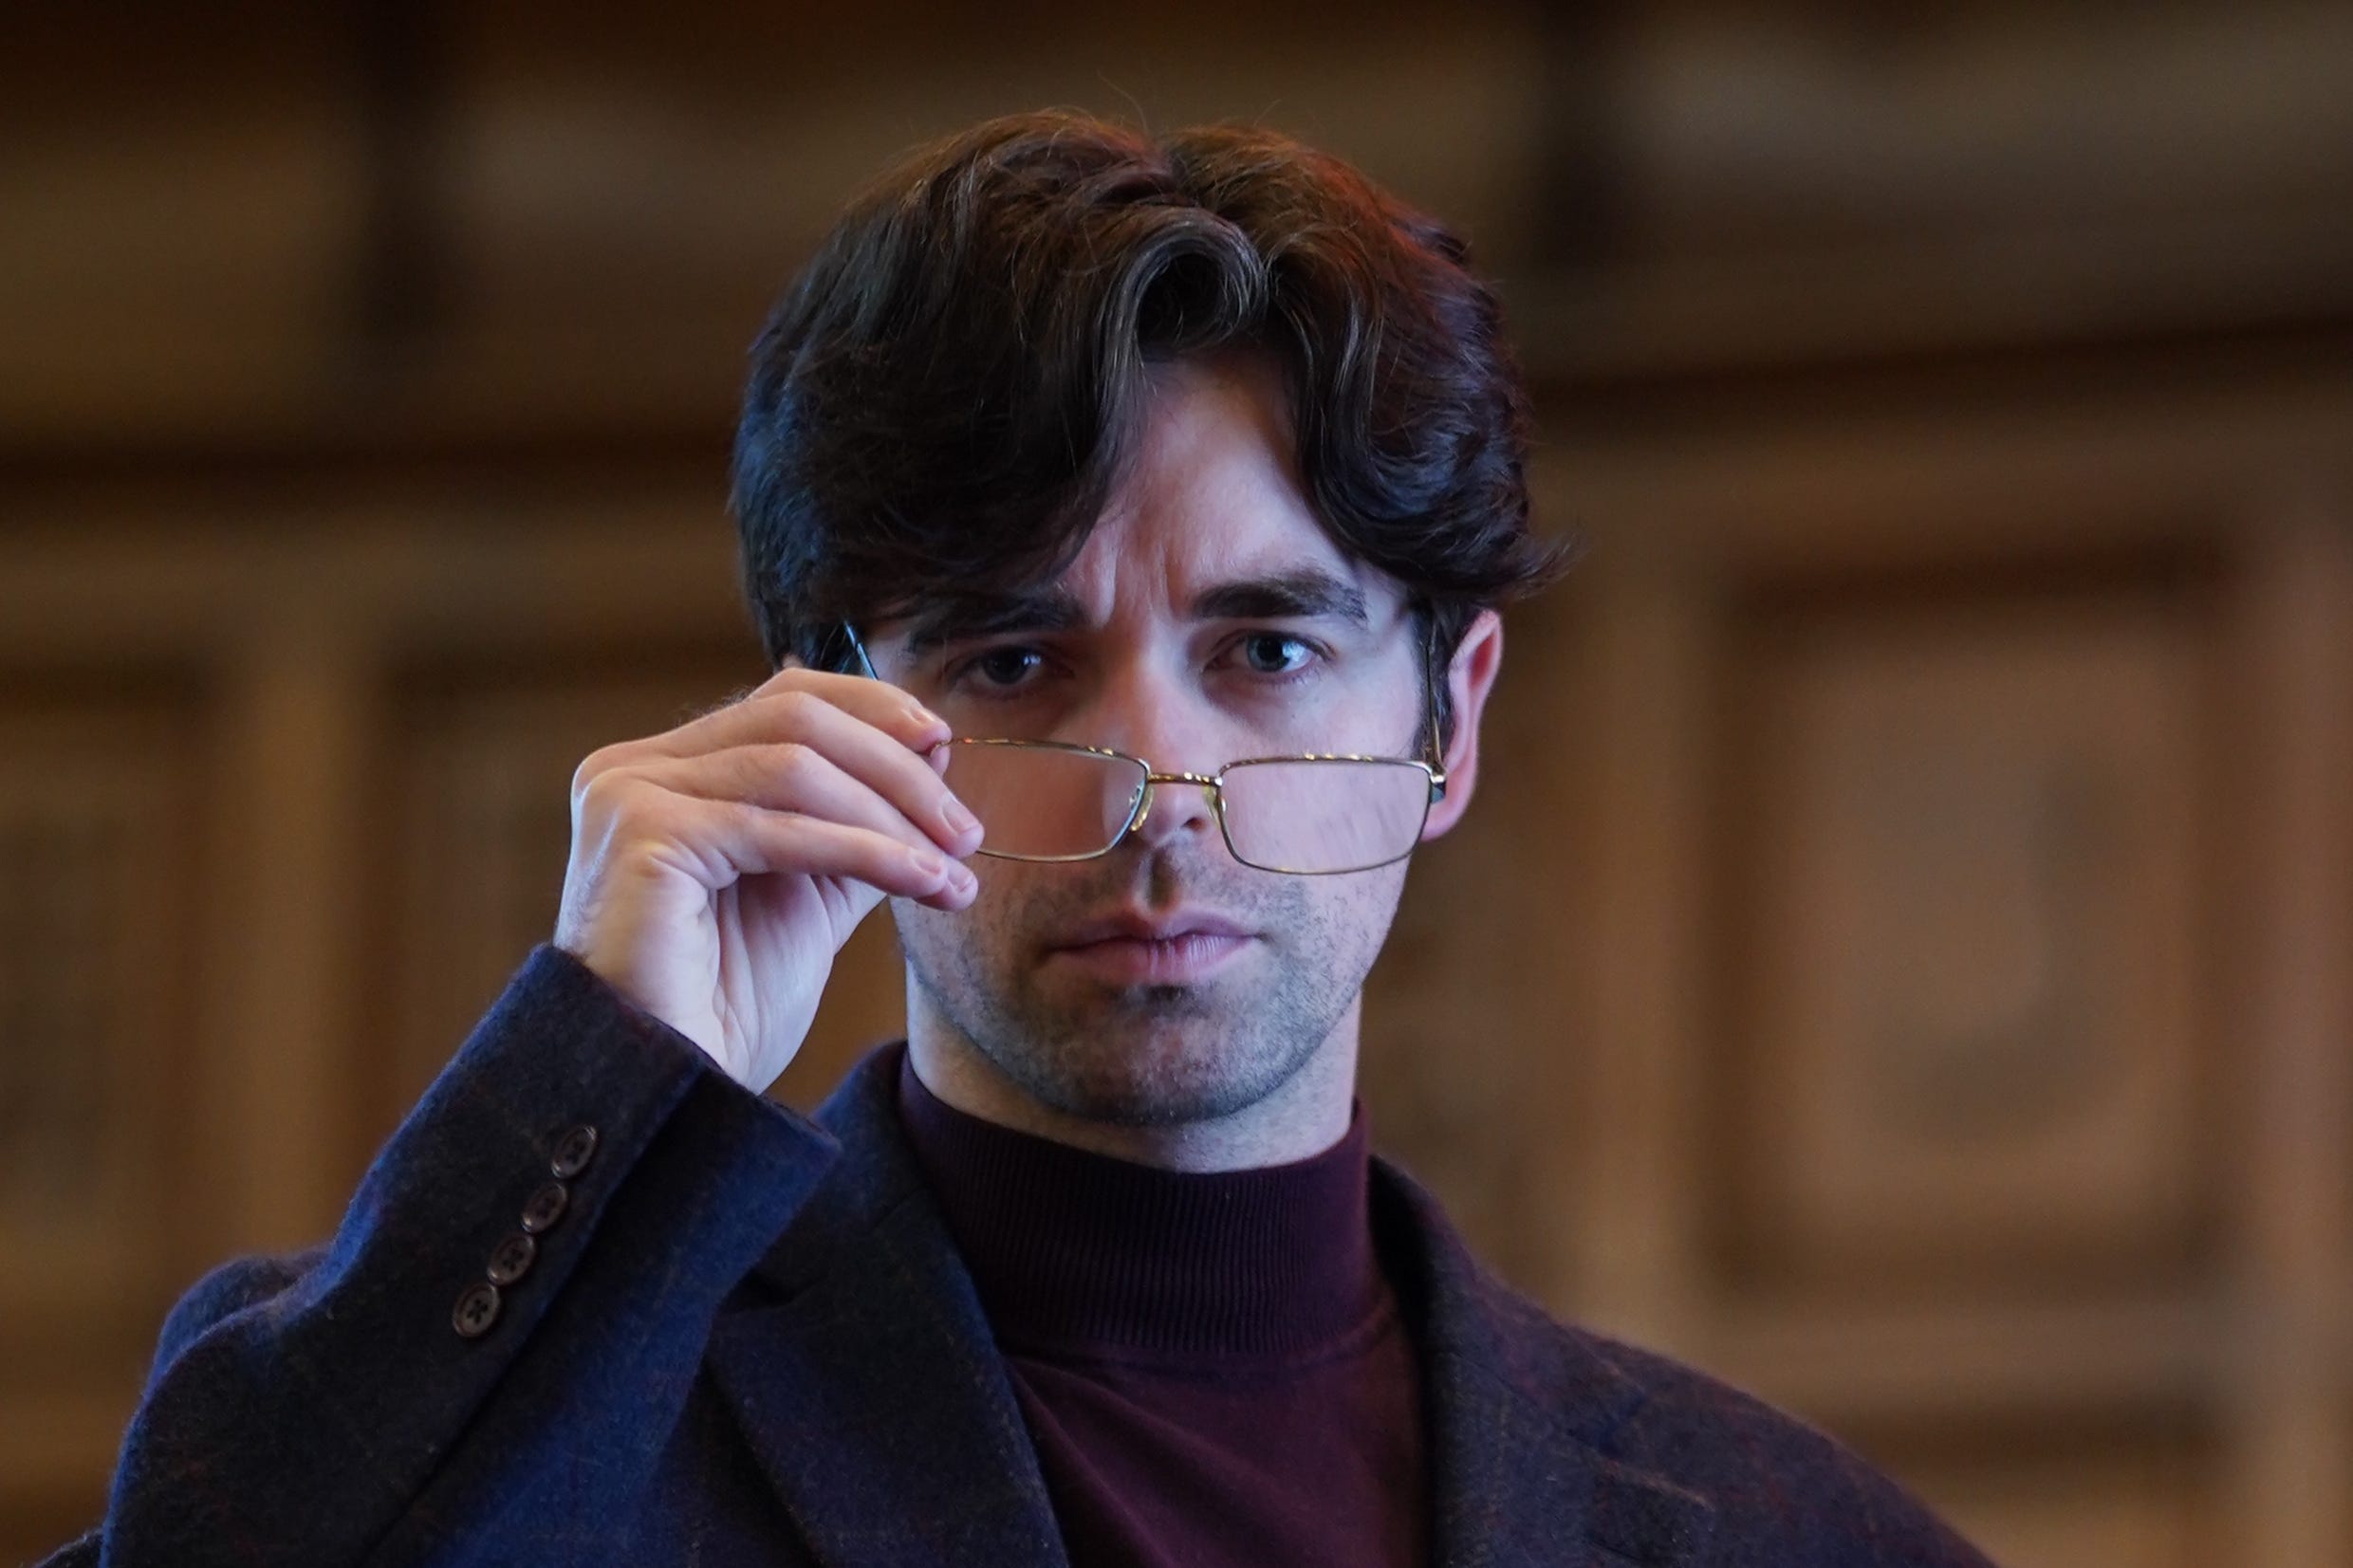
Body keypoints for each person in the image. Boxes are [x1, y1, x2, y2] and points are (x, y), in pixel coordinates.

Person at [46, 110, 1992, 1568]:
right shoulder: (533, 1423)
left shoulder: (1782, 1530)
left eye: (1268, 645)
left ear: (1448, 716)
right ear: (821, 715)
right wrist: (604, 1070)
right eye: (1013, 650)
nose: (1150, 781)